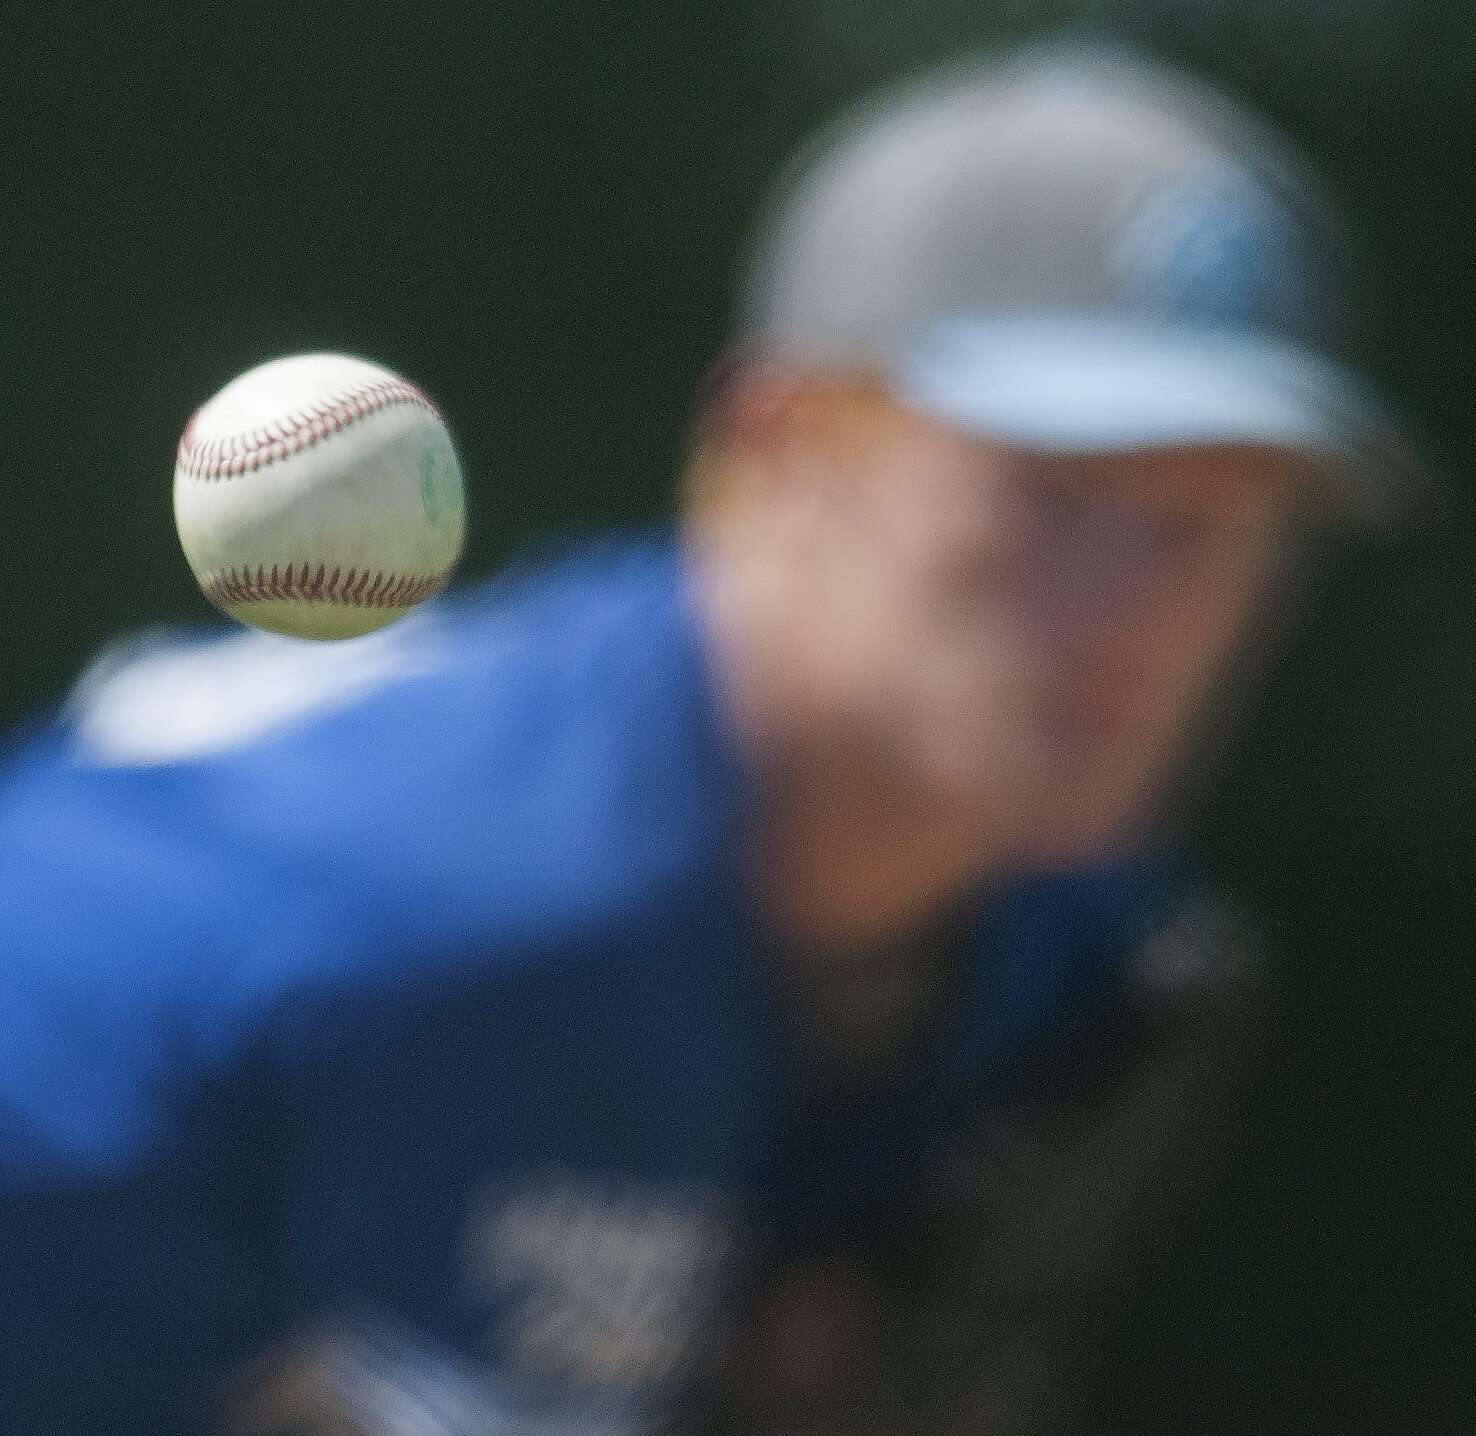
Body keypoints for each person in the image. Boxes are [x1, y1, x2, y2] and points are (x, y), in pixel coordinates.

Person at [0, 42, 1418, 1436]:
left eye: (1217, 519)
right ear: (780, 446)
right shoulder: (468, 905)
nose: (1135, 610)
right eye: (1046, 487)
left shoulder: (1067, 946)